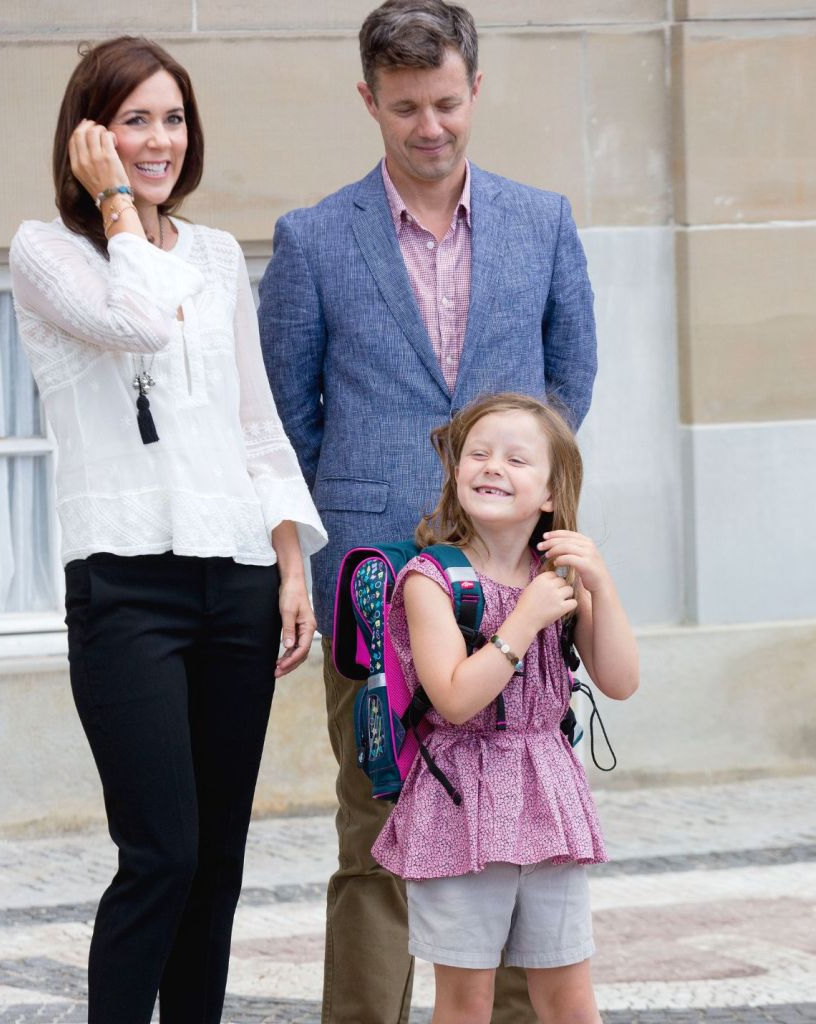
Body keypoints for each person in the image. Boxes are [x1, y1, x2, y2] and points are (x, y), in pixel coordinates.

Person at [258, 1, 597, 1019]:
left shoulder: (542, 222)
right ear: (370, 100)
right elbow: (286, 422)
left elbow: (568, 382)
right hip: (372, 583)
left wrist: (505, 500)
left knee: (514, 821)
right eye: (404, 106)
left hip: (512, 581)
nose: (429, 126)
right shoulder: (313, 239)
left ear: (475, 90)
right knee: (376, 822)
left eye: (446, 102)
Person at [9, 36, 326, 1024]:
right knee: (162, 854)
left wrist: (289, 566)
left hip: (233, 576)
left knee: (219, 859)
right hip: (125, 587)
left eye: (173, 118)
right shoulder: (42, 251)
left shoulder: (222, 256)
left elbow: (255, 423)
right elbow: (137, 319)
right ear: (88, 134)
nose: (158, 140)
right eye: (134, 119)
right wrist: (117, 205)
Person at [372, 393, 639, 1024]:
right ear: (455, 471)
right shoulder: (428, 579)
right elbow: (457, 700)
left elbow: (621, 681)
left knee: (569, 999)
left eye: (517, 459)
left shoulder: (560, 581)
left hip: (548, 801)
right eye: (477, 454)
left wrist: (599, 584)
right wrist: (523, 620)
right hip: (459, 804)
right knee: (466, 1002)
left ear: (551, 493)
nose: (492, 466)